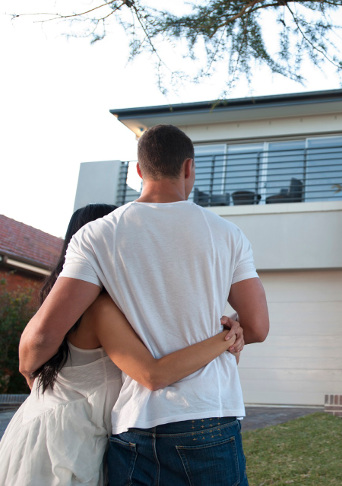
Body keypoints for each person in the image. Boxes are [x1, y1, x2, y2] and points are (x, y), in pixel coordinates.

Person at [19, 124, 270, 485]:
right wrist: (231, 329)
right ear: (188, 168)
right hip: (208, 417)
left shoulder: (96, 235)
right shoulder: (227, 234)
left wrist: (31, 375)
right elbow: (258, 327)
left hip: (133, 424)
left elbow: (42, 337)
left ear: (139, 171)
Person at [0, 204, 241, 485]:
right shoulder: (99, 307)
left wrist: (28, 371)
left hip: (60, 429)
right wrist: (224, 338)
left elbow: (32, 355)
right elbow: (152, 375)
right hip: (64, 442)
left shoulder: (81, 302)